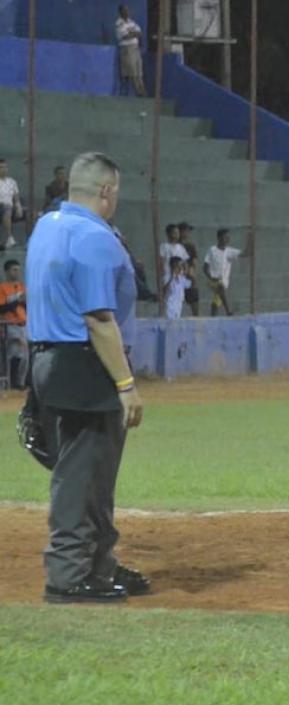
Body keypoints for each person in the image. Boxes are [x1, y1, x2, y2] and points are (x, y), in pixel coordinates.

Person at [25, 151, 147, 604]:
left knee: (91, 471)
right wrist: (126, 385)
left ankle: (98, 565)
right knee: (81, 474)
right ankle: (69, 575)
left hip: (47, 360)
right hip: (83, 365)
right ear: (106, 191)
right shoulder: (95, 236)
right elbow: (98, 319)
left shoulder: (46, 226)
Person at [203, 228, 248, 316]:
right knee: (220, 286)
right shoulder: (212, 250)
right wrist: (211, 277)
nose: (228, 239)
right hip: (212, 281)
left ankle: (213, 318)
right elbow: (205, 267)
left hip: (223, 282)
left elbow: (246, 253)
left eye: (228, 237)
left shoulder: (229, 251)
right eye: (225, 237)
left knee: (216, 302)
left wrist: (249, 239)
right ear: (219, 238)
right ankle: (228, 311)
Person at [1, 259, 27, 389]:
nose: (17, 273)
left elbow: (28, 307)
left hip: (23, 324)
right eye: (14, 270)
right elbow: (2, 308)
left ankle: (20, 383)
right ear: (7, 272)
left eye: (18, 270)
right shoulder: (2, 288)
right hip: (9, 325)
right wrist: (17, 300)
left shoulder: (23, 287)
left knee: (24, 356)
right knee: (10, 356)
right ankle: (9, 383)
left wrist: (24, 302)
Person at [115, 5, 146, 98]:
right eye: (124, 10)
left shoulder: (132, 22)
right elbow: (124, 36)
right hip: (127, 48)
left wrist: (131, 33)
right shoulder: (119, 23)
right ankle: (138, 92)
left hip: (136, 48)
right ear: (120, 12)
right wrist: (133, 34)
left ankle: (143, 91)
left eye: (127, 10)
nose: (127, 12)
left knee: (139, 71)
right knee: (132, 71)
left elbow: (139, 33)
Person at [177, 222, 201, 316]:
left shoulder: (190, 246)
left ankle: (197, 319)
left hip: (189, 277)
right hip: (178, 276)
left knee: (194, 299)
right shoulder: (175, 246)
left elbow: (194, 262)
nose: (187, 233)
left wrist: (193, 273)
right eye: (186, 231)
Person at [0, 157, 24, 250]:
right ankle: (10, 238)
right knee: (5, 207)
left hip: (10, 207)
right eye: (1, 167)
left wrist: (19, 207)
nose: (3, 169)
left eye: (5, 167)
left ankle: (10, 239)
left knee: (7, 208)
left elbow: (16, 198)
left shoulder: (12, 182)